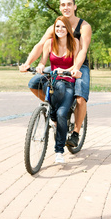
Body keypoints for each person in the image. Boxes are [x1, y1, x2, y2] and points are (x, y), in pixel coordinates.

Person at [20, 0, 92, 147]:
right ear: (60, 7)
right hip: (58, 64)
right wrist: (27, 63)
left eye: (69, 4)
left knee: (80, 97)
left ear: (74, 6)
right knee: (34, 83)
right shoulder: (57, 25)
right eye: (63, 5)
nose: (66, 7)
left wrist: (76, 68)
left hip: (79, 65)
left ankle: (75, 134)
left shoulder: (84, 26)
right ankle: (57, 106)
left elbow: (83, 50)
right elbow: (40, 45)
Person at [36, 16, 80, 163]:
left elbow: (75, 65)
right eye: (57, 27)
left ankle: (59, 151)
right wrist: (41, 66)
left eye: (63, 27)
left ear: (67, 29)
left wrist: (65, 70)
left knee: (61, 114)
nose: (60, 30)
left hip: (68, 82)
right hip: (53, 81)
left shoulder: (74, 43)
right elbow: (43, 61)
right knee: (52, 86)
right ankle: (53, 116)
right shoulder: (49, 43)